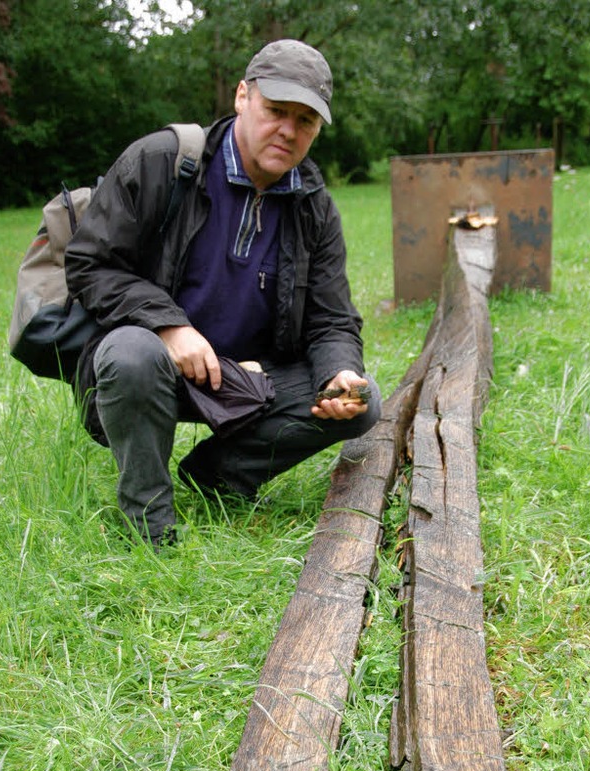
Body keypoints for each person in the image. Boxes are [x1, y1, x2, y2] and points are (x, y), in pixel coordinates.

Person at [65, 39, 381, 548]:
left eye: (306, 121)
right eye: (276, 111)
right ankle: (149, 525)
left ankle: (214, 476)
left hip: (247, 382)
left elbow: (332, 319)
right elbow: (89, 264)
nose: (288, 131)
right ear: (242, 96)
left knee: (364, 401)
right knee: (129, 353)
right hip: (155, 371)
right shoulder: (161, 161)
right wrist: (170, 326)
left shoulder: (313, 206)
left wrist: (338, 372)